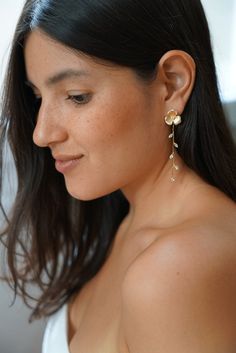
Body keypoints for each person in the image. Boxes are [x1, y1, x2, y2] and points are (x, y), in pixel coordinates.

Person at [0, 0, 236, 352]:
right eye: (37, 98)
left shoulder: (177, 270)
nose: (42, 134)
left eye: (76, 97)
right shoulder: (123, 219)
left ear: (171, 84)